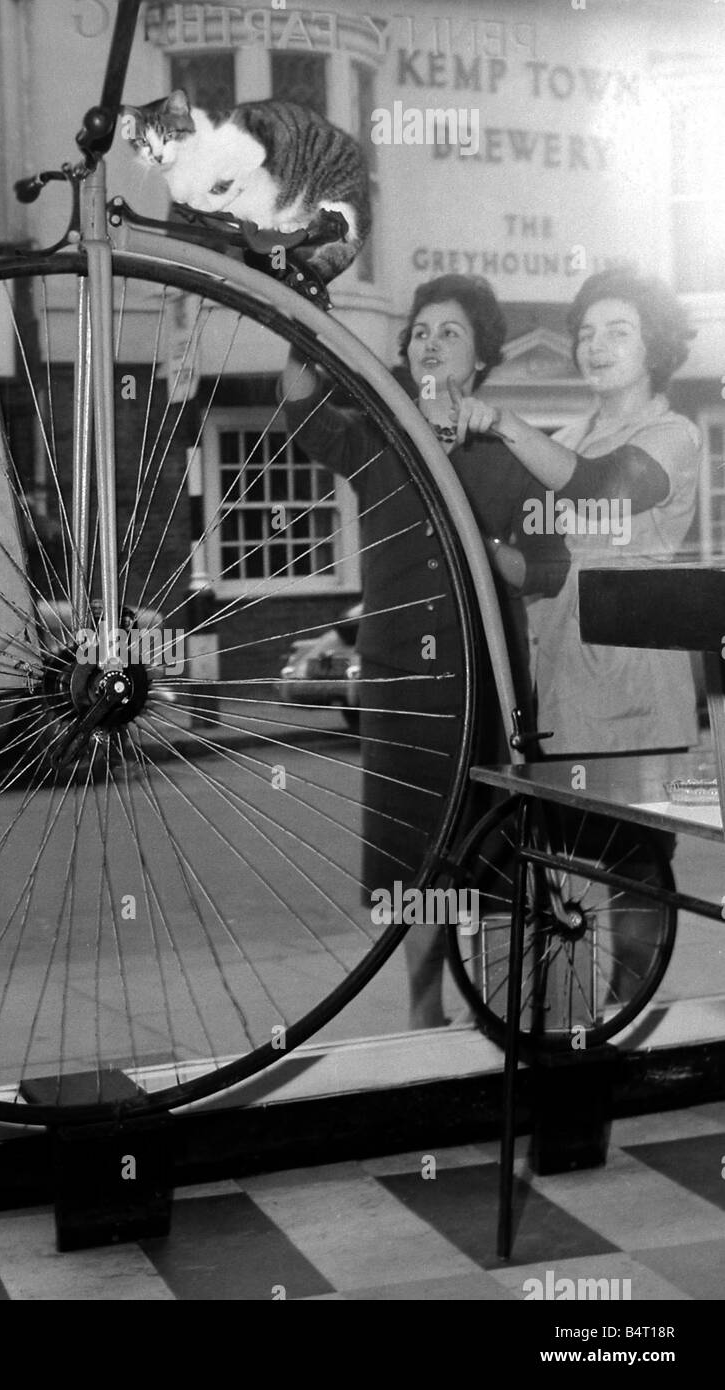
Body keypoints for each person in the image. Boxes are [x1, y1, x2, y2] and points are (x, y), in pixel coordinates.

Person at [280, 274, 570, 1029]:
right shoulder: (379, 432)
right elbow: (301, 403)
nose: (431, 343)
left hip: (487, 678)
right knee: (415, 855)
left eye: (451, 333)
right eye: (420, 332)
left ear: (480, 360)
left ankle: (502, 1014)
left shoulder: (510, 449)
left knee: (497, 845)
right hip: (403, 682)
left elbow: (545, 570)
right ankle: (424, 1015)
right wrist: (301, 307)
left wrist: (492, 550)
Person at [448, 267, 700, 1007]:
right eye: (587, 333)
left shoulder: (672, 435)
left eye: (617, 332)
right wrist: (478, 537)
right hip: (565, 697)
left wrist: (504, 424)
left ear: (653, 347)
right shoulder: (571, 437)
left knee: (634, 886)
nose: (595, 346)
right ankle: (581, 1066)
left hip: (638, 705)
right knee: (569, 893)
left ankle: (626, 1047)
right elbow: (541, 571)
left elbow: (600, 490)